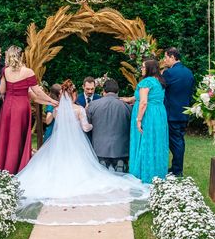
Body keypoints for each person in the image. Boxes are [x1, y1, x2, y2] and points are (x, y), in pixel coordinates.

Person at [15, 80, 149, 225]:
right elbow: (86, 128)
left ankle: (60, 180)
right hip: (76, 142)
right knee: (80, 163)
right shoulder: (79, 110)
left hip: (59, 141)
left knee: (57, 161)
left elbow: (54, 123)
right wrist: (93, 125)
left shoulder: (57, 110)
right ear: (73, 94)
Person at [0, 46, 58, 174]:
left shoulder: (5, 71)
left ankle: (5, 168)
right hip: (21, 106)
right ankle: (18, 167)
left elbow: (1, 90)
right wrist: (51, 100)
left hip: (7, 106)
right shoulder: (28, 72)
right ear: (21, 56)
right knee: (18, 136)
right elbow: (38, 92)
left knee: (7, 136)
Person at [129, 59, 168, 183]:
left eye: (143, 67)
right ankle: (157, 172)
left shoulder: (146, 82)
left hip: (148, 115)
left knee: (145, 140)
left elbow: (144, 102)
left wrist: (139, 119)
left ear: (149, 69)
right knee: (156, 140)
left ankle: (143, 172)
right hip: (159, 114)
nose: (141, 69)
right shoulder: (159, 81)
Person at [161, 47, 195, 177]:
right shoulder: (189, 72)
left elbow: (161, 88)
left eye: (166, 58)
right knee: (179, 140)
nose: (165, 61)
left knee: (175, 141)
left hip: (172, 113)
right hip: (184, 112)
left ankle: (177, 170)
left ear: (172, 57)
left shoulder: (169, 73)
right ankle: (176, 167)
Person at [87, 79, 132, 172]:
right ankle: (120, 163)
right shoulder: (127, 106)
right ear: (118, 92)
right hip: (121, 150)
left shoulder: (93, 105)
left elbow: (88, 125)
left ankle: (104, 163)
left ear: (104, 91)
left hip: (100, 149)